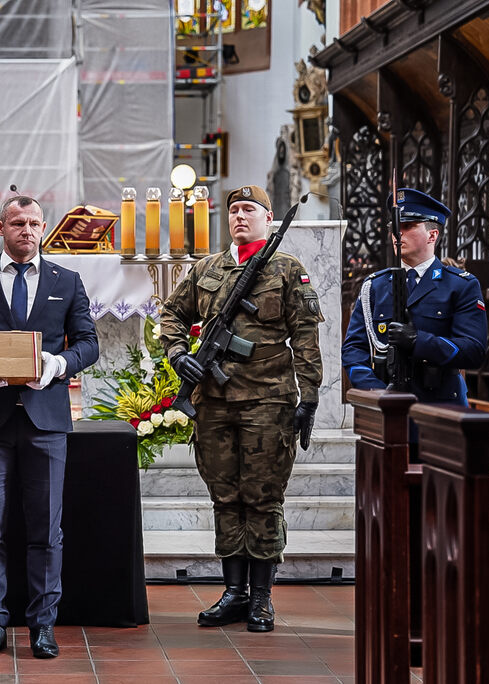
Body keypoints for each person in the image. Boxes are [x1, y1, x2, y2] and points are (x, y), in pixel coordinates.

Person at [0, 194, 99, 659]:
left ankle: (42, 625)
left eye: (34, 223)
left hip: (45, 419)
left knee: (46, 530)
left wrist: (57, 364)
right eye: (17, 223)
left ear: (43, 228)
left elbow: (88, 343)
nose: (26, 231)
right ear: (0, 228)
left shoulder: (67, 281)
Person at [160, 184, 323, 633]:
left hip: (267, 401)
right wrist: (178, 354)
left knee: (263, 498)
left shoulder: (286, 269)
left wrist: (309, 396)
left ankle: (262, 597)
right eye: (234, 210)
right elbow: (172, 313)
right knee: (225, 496)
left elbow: (306, 336)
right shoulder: (207, 268)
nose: (239, 216)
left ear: (268, 218)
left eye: (249, 209)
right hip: (213, 403)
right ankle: (234, 592)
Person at [342, 188, 487, 421]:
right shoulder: (376, 286)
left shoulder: (460, 285)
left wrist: (420, 342)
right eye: (394, 227)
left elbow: (473, 350)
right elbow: (353, 348)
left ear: (432, 235)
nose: (397, 234)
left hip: (439, 408)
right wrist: (375, 391)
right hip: (386, 408)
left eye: (408, 226)